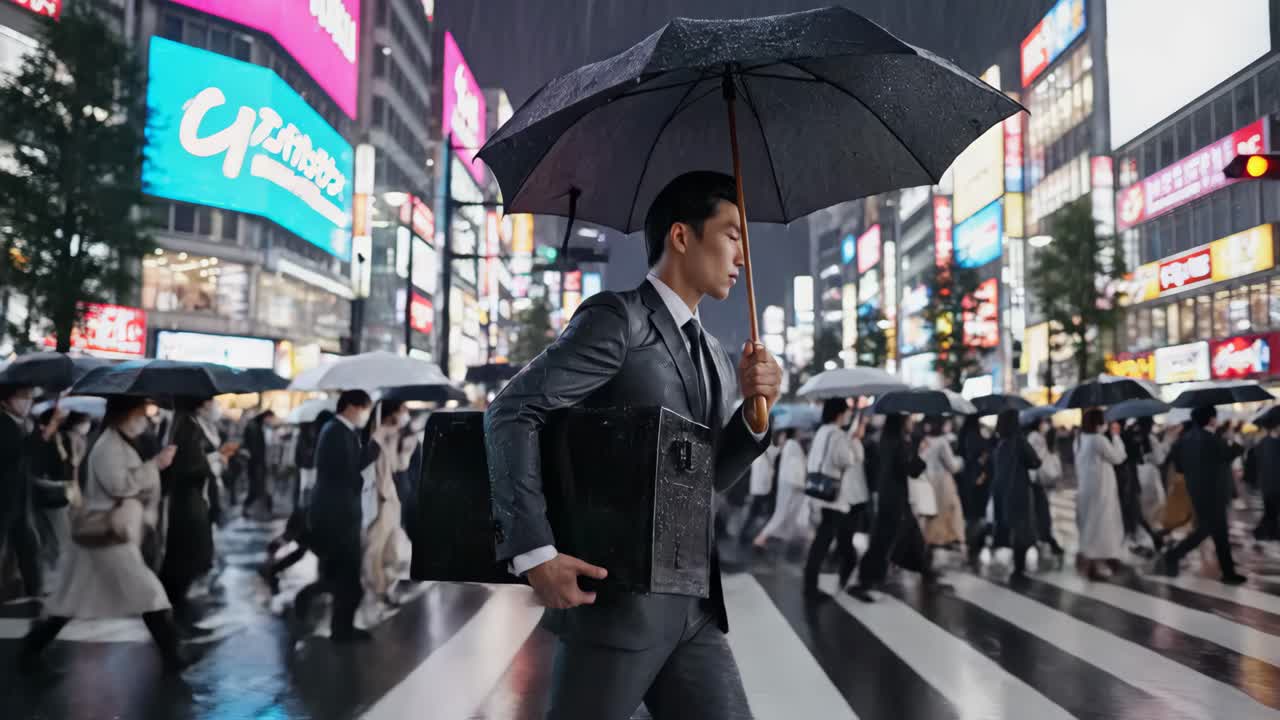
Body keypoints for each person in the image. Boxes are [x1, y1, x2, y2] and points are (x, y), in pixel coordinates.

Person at [484, 171, 781, 719]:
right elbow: (512, 409)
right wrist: (535, 553)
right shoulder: (618, 320)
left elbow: (705, 479)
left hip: (692, 613)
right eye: (732, 233)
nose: (744, 255)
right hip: (614, 608)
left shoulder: (716, 354)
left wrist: (754, 419)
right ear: (682, 236)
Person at [20, 396, 189, 671]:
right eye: (140, 413)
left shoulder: (119, 442)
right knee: (149, 592)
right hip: (108, 532)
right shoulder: (109, 446)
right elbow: (120, 486)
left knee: (70, 598)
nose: (143, 420)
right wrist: (155, 465)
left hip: (103, 534)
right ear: (125, 414)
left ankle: (32, 647)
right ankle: (174, 655)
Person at [302, 391, 377, 641]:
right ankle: (340, 629)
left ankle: (341, 627)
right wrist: (372, 450)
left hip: (339, 512)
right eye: (365, 408)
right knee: (346, 578)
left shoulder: (340, 431)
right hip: (338, 515)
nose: (365, 414)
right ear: (352, 407)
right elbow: (348, 473)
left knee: (341, 577)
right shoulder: (335, 432)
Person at [158, 397, 234, 634]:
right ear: (200, 404)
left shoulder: (192, 424)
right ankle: (173, 621)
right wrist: (215, 459)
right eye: (211, 401)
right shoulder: (187, 426)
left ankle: (175, 619)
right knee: (185, 561)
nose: (215, 406)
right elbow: (188, 466)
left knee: (187, 561)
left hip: (196, 500)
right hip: (188, 503)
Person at [1159, 406, 1246, 585]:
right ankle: (1173, 555)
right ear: (1211, 419)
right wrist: (1232, 441)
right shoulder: (1213, 439)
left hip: (1196, 491)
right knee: (1210, 531)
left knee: (1211, 530)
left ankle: (1228, 572)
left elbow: (1179, 466)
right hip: (1215, 491)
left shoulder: (1184, 440)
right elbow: (1233, 453)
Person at [848, 413, 929, 602]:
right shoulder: (900, 443)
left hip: (888, 496)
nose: (911, 423)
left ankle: (925, 571)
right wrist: (918, 450)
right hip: (895, 499)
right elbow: (912, 470)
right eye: (909, 420)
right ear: (901, 422)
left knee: (908, 536)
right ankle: (865, 580)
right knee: (882, 540)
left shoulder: (885, 440)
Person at [262, 410, 333, 593]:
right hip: (311, 505)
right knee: (305, 544)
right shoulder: (319, 443)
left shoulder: (312, 439)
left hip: (306, 503)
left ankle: (272, 567)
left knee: (301, 545)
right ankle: (273, 568)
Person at [802, 399, 864, 599]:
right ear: (839, 414)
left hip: (820, 490)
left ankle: (813, 583)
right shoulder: (837, 434)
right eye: (846, 412)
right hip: (833, 496)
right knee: (824, 539)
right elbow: (846, 460)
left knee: (825, 537)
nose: (848, 416)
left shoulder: (822, 431)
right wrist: (854, 441)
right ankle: (811, 587)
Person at [362, 400, 414, 604]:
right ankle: (377, 587)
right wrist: (381, 437)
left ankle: (385, 583)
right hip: (378, 498)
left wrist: (406, 446)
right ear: (390, 413)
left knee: (391, 545)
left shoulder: (393, 435)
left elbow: (398, 465)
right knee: (376, 545)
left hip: (391, 497)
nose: (405, 414)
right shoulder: (373, 436)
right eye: (402, 410)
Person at [1074, 410, 1128, 580]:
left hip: (1086, 487)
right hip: (1101, 489)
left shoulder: (1079, 439)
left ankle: (1091, 557)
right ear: (1098, 423)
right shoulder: (1098, 439)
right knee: (1102, 523)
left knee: (1089, 522)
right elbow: (1118, 457)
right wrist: (1116, 436)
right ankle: (1098, 562)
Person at [0, 384, 42, 601]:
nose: (27, 402)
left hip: (18, 497)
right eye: (22, 397)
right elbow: (14, 452)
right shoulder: (4, 423)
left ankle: (35, 592)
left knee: (27, 545)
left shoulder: (25, 424)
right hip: (4, 497)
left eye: (30, 397)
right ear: (6, 400)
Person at [990, 410, 1042, 580]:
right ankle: (1018, 568)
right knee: (1023, 529)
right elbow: (1035, 461)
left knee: (1011, 526)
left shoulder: (1001, 443)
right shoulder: (1019, 441)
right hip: (1019, 491)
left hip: (1002, 491)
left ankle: (1016, 564)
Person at [753, 428, 807, 549]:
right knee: (781, 513)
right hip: (790, 484)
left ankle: (765, 538)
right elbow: (797, 467)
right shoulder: (792, 445)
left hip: (786, 484)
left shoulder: (789, 445)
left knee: (783, 512)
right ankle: (760, 538)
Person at [920, 415, 965, 550]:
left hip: (926, 481)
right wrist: (961, 461)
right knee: (944, 512)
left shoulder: (925, 440)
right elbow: (952, 465)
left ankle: (927, 541)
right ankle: (938, 540)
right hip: (942, 483)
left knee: (929, 515)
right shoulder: (942, 442)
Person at [1026, 418, 1065, 561]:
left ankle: (1043, 539)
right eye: (1043, 422)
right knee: (1041, 512)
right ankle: (1045, 539)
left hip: (1037, 480)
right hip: (1036, 481)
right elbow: (1038, 459)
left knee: (1041, 511)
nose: (1045, 425)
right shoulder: (1034, 437)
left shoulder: (1038, 437)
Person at [739, 431, 782, 544]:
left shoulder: (760, 447)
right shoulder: (770, 449)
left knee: (754, 512)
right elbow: (774, 452)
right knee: (758, 512)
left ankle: (745, 535)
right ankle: (748, 536)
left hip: (758, 485)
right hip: (763, 486)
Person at [241, 409, 276, 518]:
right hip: (257, 464)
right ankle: (256, 510)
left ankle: (261, 510)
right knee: (257, 488)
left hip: (257, 464)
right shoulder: (255, 427)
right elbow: (256, 448)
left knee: (258, 488)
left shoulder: (256, 425)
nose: (271, 421)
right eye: (270, 418)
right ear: (266, 417)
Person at [1253, 424, 1280, 541]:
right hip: (1271, 483)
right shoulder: (1266, 442)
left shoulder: (1263, 442)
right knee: (1271, 511)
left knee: (1271, 511)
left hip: (1268, 483)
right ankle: (1267, 533)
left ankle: (1270, 533)